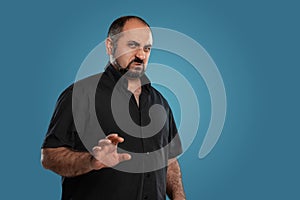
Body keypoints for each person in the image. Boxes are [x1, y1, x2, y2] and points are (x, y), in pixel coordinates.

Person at [41, 15, 186, 200]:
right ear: (110, 46)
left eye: (147, 48)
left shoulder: (161, 102)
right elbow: (50, 156)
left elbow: (170, 160)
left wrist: (179, 196)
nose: (141, 55)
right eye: (132, 45)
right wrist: (91, 161)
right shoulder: (79, 95)